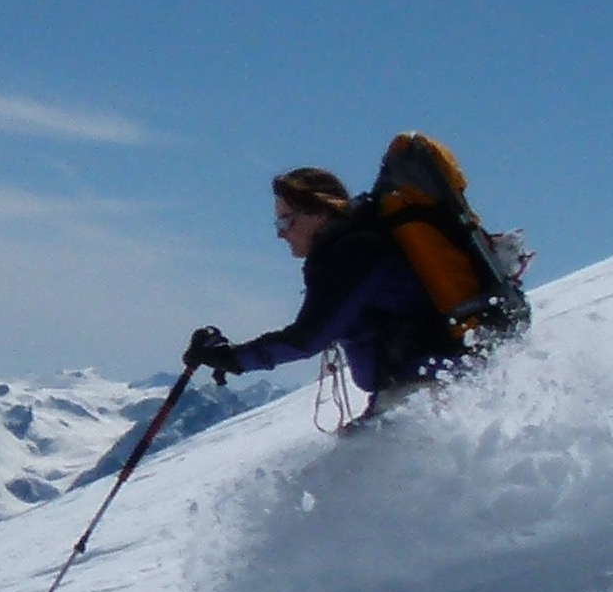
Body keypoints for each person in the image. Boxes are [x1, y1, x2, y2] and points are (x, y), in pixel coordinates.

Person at [183, 166, 454, 410]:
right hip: (426, 385)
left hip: (426, 390)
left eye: (286, 221)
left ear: (320, 211)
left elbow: (307, 339)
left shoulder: (352, 254)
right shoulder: (359, 248)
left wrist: (233, 358)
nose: (280, 233)